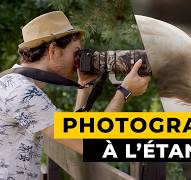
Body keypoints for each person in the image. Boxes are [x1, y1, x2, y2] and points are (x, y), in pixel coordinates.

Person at [0, 11, 150, 180]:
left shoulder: (13, 83)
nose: (79, 61)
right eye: (77, 53)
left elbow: (72, 131)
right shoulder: (22, 92)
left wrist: (84, 86)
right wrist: (124, 92)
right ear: (53, 51)